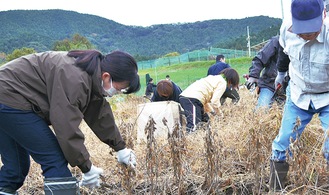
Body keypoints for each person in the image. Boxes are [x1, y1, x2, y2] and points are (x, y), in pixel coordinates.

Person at [0, 50, 140, 194]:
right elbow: (66, 127)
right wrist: (87, 167)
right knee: (55, 160)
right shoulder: (75, 78)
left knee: (15, 167)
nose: (117, 93)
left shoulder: (89, 74)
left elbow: (99, 114)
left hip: (6, 98)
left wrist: (120, 148)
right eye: (119, 89)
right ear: (106, 76)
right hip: (9, 99)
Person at [269, 0, 329, 191]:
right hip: (298, 92)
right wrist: (280, 74)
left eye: (311, 30)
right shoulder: (287, 28)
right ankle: (276, 189)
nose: (305, 35)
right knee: (282, 144)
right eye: (301, 30)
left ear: (324, 16)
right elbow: (283, 53)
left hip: (327, 95)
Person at [179, 68, 240, 133]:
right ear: (231, 80)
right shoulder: (222, 82)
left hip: (192, 98)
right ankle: (189, 141)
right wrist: (220, 114)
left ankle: (204, 140)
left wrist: (212, 111)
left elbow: (204, 100)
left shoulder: (213, 78)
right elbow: (215, 101)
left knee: (205, 122)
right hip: (191, 98)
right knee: (194, 126)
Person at [245, 35, 290, 110]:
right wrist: (253, 75)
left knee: (288, 115)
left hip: (289, 88)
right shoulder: (276, 41)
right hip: (270, 84)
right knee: (261, 110)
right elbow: (260, 58)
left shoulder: (303, 43)